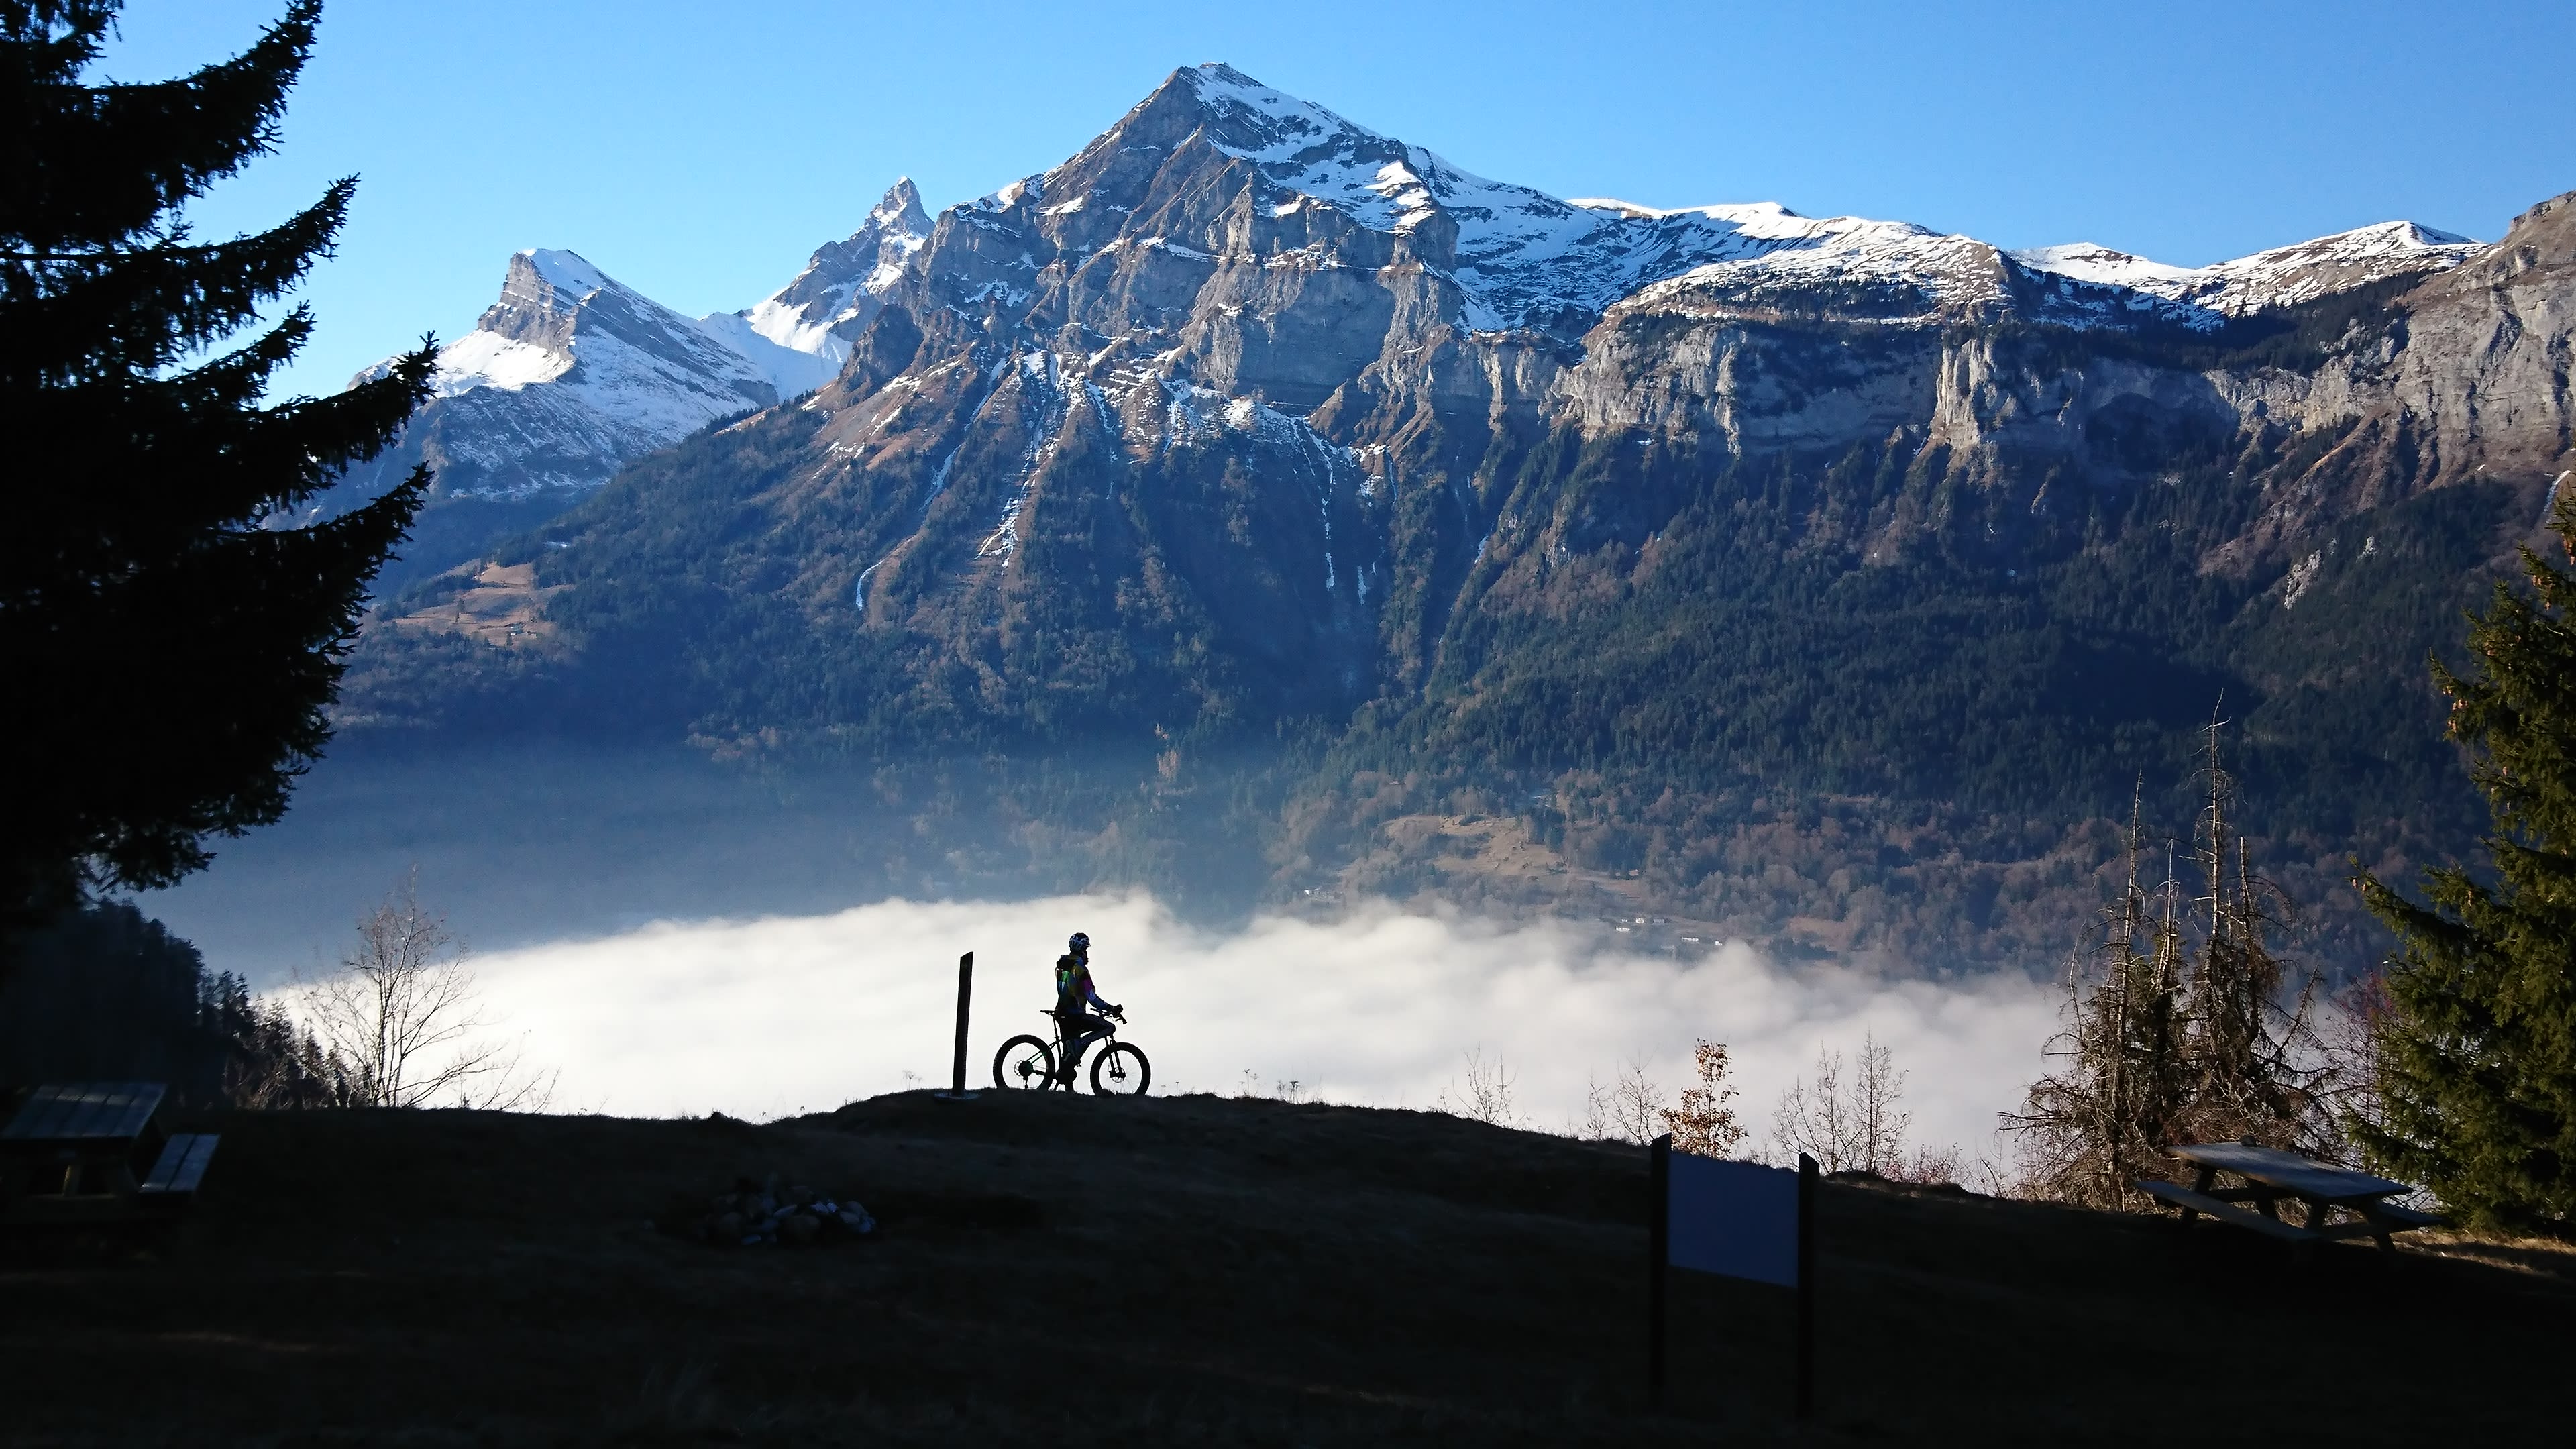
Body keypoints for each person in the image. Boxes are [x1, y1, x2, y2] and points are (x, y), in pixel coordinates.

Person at [1052, 931, 1122, 1084]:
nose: (1087, 954)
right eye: (1086, 950)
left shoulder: (1060, 965)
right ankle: (1082, 1044)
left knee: (1069, 1054)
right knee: (1109, 1028)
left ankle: (1067, 1085)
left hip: (1060, 1013)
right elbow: (1091, 997)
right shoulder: (1080, 969)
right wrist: (1110, 1008)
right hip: (1075, 1015)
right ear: (1082, 950)